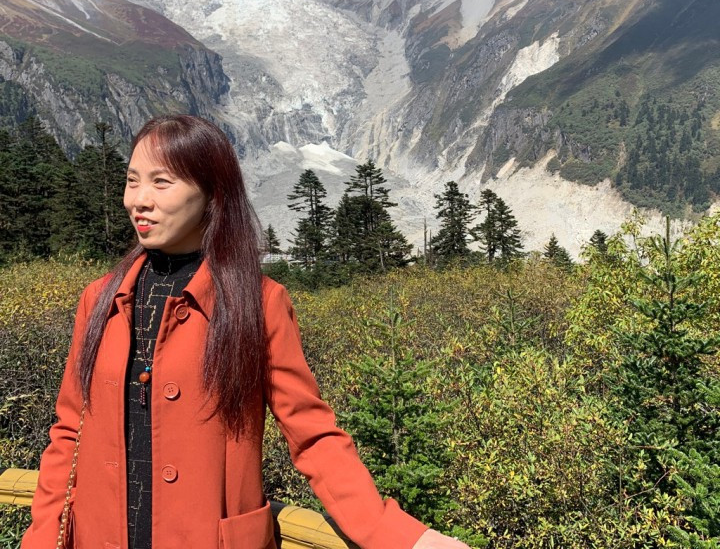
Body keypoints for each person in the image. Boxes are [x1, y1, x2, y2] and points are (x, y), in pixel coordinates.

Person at [21, 115, 469, 549]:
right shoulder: (100, 299)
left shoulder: (257, 303)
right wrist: (40, 539)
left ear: (212, 194)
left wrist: (397, 535)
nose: (139, 200)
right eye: (132, 180)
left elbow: (312, 435)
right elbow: (69, 433)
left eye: (161, 182)